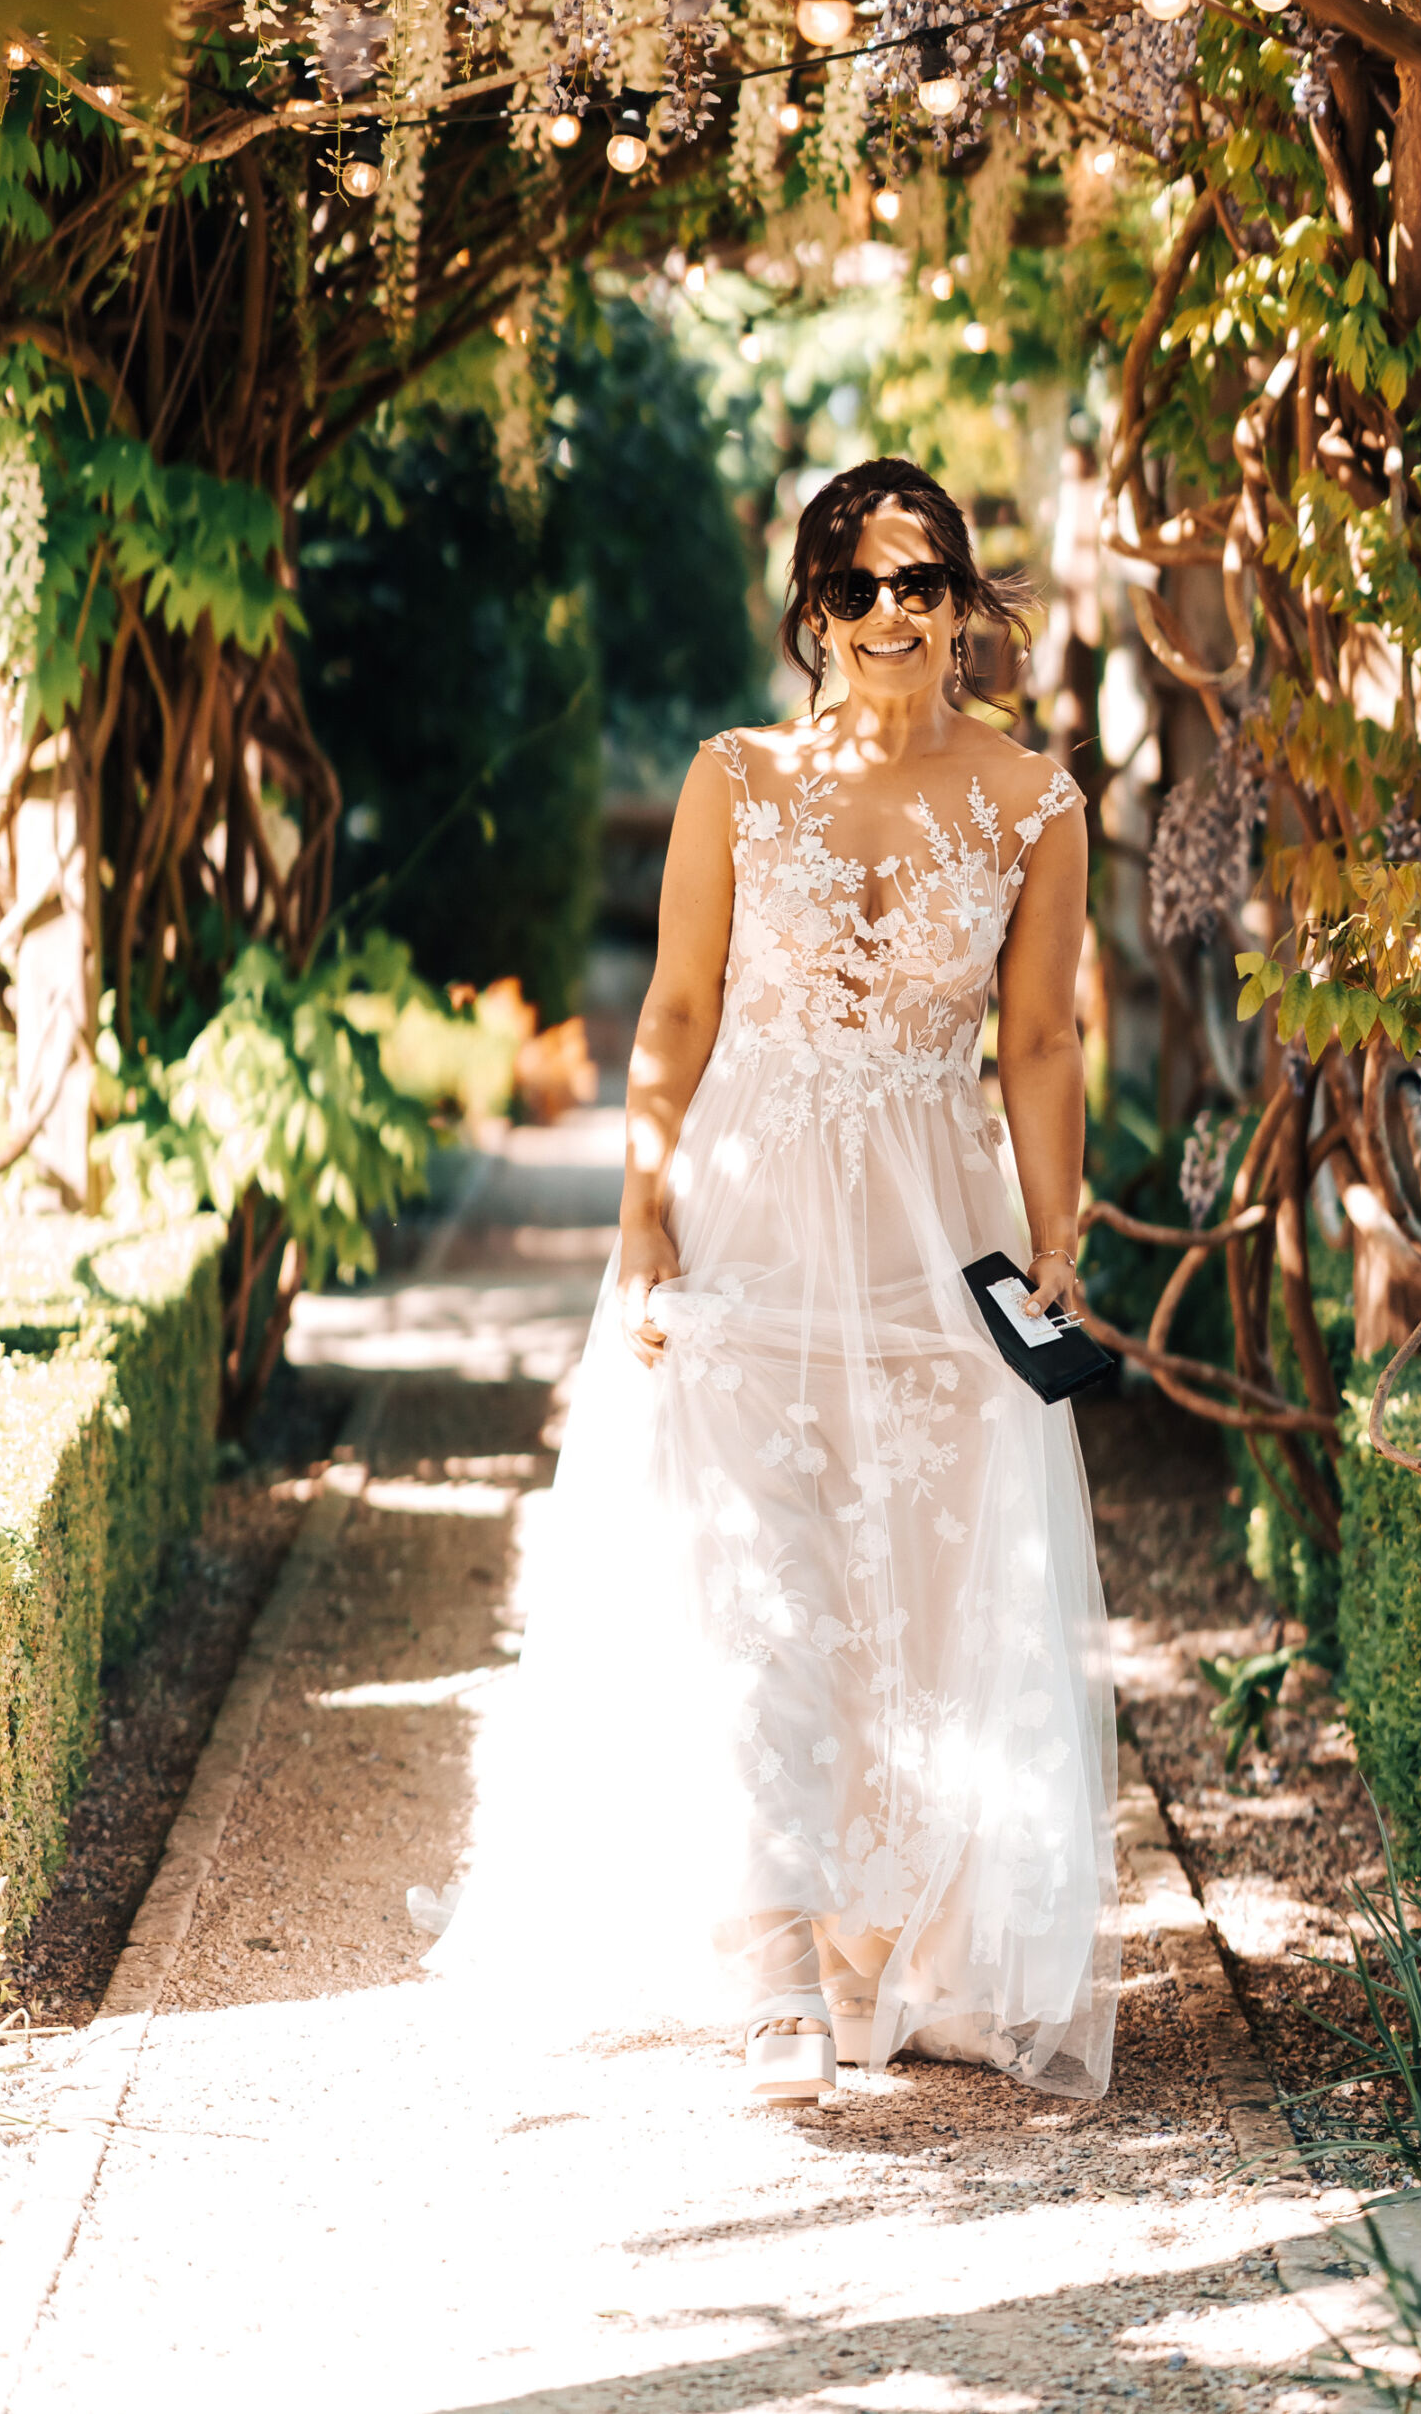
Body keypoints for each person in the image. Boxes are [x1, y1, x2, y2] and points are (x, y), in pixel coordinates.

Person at [425, 456, 1118, 2106]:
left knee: (918, 1584)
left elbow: (1035, 1042)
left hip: (935, 1238)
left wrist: (1061, 1237)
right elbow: (673, 1010)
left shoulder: (1037, 804)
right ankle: (769, 1966)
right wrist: (642, 1206)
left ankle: (878, 1946)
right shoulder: (734, 778)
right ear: (815, 611)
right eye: (860, 588)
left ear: (961, 605)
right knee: (754, 1582)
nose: (893, 614)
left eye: (922, 583)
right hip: (744, 1205)